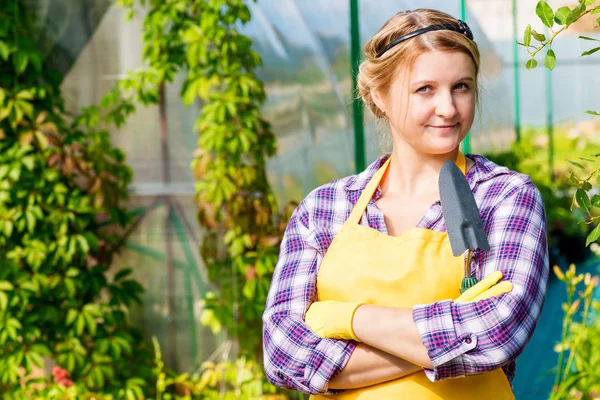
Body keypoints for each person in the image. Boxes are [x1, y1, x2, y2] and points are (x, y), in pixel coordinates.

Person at [262, 8, 548, 400]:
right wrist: (447, 337)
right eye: (424, 89)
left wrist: (348, 318)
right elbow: (282, 351)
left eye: (461, 87)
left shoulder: (503, 197)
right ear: (379, 95)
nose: (447, 108)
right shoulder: (325, 208)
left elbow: (496, 332)